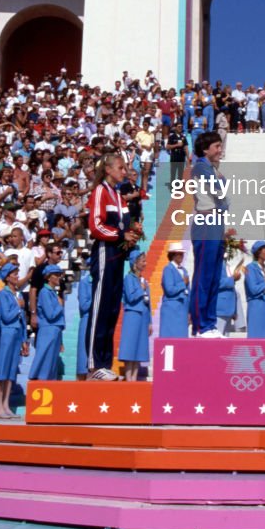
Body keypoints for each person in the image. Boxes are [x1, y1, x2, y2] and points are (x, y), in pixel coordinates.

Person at [86, 152, 136, 380]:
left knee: (113, 308)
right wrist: (120, 235)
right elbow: (96, 226)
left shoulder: (118, 195)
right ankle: (94, 364)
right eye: (121, 167)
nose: (124, 172)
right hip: (106, 252)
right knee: (101, 307)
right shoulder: (100, 192)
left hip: (119, 254)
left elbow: (126, 224)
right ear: (108, 170)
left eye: (125, 168)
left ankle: (105, 363)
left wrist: (133, 232)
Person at [189, 132, 229, 337]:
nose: (220, 150)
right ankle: (200, 325)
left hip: (216, 222)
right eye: (216, 146)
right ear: (205, 149)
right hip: (205, 221)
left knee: (214, 277)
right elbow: (220, 193)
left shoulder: (213, 168)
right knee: (204, 275)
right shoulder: (201, 166)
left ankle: (210, 324)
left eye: (220, 146)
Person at [0, 262, 28, 418]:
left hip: (17, 333)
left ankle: (6, 404)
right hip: (6, 333)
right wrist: (18, 307)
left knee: (11, 370)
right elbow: (6, 316)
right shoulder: (2, 293)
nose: (17, 276)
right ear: (7, 277)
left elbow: (23, 320)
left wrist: (24, 340)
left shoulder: (17, 293)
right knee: (2, 368)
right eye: (14, 274)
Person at [118, 249, 151, 380]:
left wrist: (150, 322)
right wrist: (140, 290)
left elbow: (149, 303)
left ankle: (134, 378)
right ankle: (128, 377)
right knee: (130, 346)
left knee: (139, 347)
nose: (145, 263)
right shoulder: (128, 278)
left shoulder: (143, 280)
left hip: (143, 316)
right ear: (135, 263)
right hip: (132, 315)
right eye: (143, 261)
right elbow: (130, 297)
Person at [29, 265, 65, 381]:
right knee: (44, 360)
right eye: (56, 275)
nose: (59, 277)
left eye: (59, 274)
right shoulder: (45, 292)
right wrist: (60, 305)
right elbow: (50, 314)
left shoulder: (52, 292)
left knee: (51, 363)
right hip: (48, 330)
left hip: (54, 330)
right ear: (48, 277)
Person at [244, 241, 265, 338]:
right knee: (256, 335)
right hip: (256, 305)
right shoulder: (250, 268)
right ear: (258, 252)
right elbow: (253, 289)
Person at [159, 245, 190, 338]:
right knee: (170, 340)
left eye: (182, 253)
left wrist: (190, 311)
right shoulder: (168, 269)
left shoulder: (184, 270)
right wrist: (183, 283)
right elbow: (169, 290)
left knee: (182, 341)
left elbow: (189, 291)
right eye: (179, 253)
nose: (181, 255)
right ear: (172, 254)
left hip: (183, 309)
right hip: (172, 309)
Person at [216, 253, 243, 336]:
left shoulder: (226, 264)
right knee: (218, 337)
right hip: (220, 309)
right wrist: (233, 279)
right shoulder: (216, 264)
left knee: (226, 339)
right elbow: (216, 283)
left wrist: (234, 310)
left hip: (228, 309)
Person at [76, 261, 92, 380]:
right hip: (87, 321)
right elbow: (84, 305)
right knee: (84, 359)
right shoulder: (85, 282)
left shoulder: (102, 283)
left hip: (98, 322)